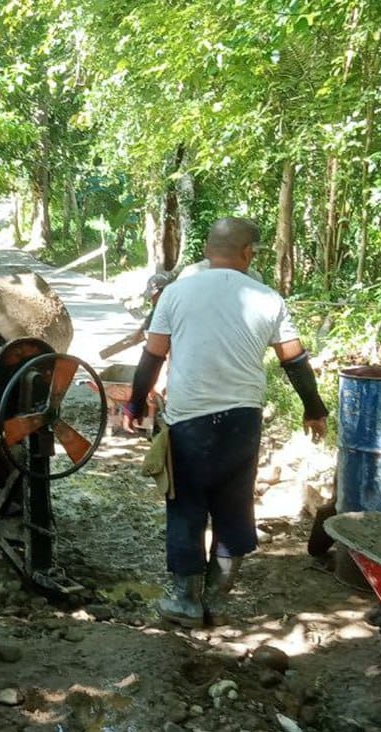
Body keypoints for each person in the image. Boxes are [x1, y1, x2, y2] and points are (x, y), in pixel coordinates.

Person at [123, 218, 328, 627]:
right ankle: (218, 597)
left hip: (189, 421)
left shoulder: (175, 293)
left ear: (206, 250)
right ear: (248, 252)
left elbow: (154, 354)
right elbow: (295, 360)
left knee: (186, 506)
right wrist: (314, 408)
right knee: (234, 504)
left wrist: (135, 403)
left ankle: (186, 601)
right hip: (243, 420)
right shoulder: (268, 298)